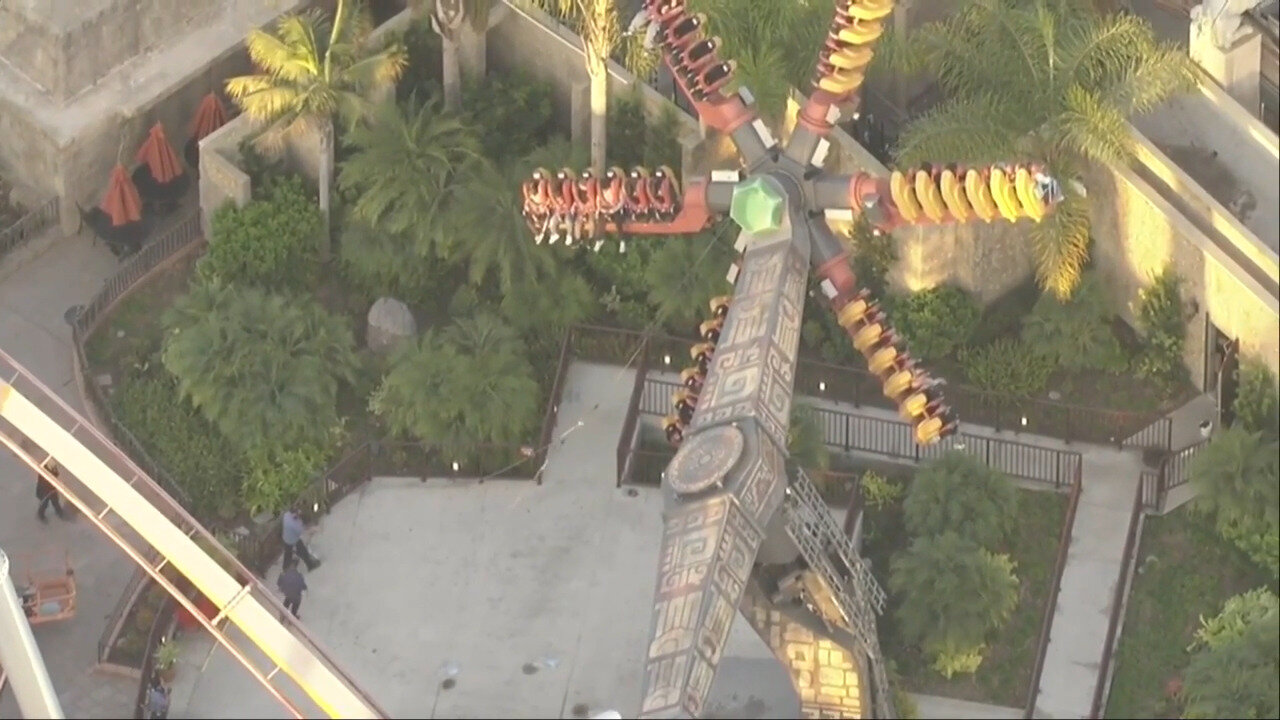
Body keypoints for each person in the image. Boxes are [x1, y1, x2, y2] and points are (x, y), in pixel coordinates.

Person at [281, 506, 319, 571]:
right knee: (303, 552)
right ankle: (310, 565)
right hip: (294, 540)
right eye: (297, 512)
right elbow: (303, 531)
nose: (299, 512)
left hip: (286, 538)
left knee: (288, 552)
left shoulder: (286, 515)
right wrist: (313, 529)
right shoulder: (294, 524)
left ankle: (285, 567)